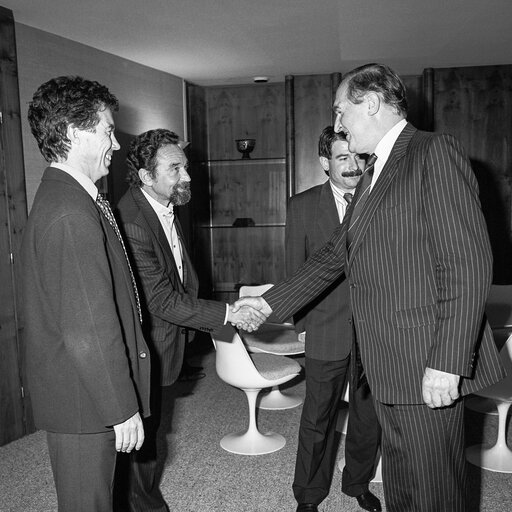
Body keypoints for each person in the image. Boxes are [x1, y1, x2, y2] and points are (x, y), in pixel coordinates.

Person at [234, 63, 505, 512]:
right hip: (386, 363)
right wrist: (267, 303)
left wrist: (448, 362)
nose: (337, 124)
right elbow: (332, 256)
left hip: (426, 360)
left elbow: (469, 262)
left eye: (341, 112)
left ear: (372, 103)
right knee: (403, 479)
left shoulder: (432, 151)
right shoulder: (375, 172)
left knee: (434, 487)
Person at [115, 128, 264, 512]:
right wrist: (230, 312)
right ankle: (143, 504)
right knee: (143, 437)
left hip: (166, 342)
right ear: (147, 177)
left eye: (186, 167)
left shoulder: (162, 205)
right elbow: (161, 299)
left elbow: (181, 274)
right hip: (144, 348)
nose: (188, 176)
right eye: (176, 168)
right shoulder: (133, 221)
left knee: (152, 429)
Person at [21, 76, 151, 512]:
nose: (115, 144)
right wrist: (120, 407)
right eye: (107, 131)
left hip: (84, 391)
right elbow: (88, 326)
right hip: (85, 400)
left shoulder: (75, 198)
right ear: (76, 134)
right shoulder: (69, 211)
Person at [287, 126, 381, 512]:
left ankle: (358, 483)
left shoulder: (382, 200)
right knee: (317, 418)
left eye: (359, 157)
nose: (354, 166)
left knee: (368, 418)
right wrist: (303, 326)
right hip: (325, 329)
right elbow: (295, 273)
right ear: (325, 162)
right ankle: (309, 495)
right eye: (343, 158)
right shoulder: (302, 206)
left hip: (375, 331)